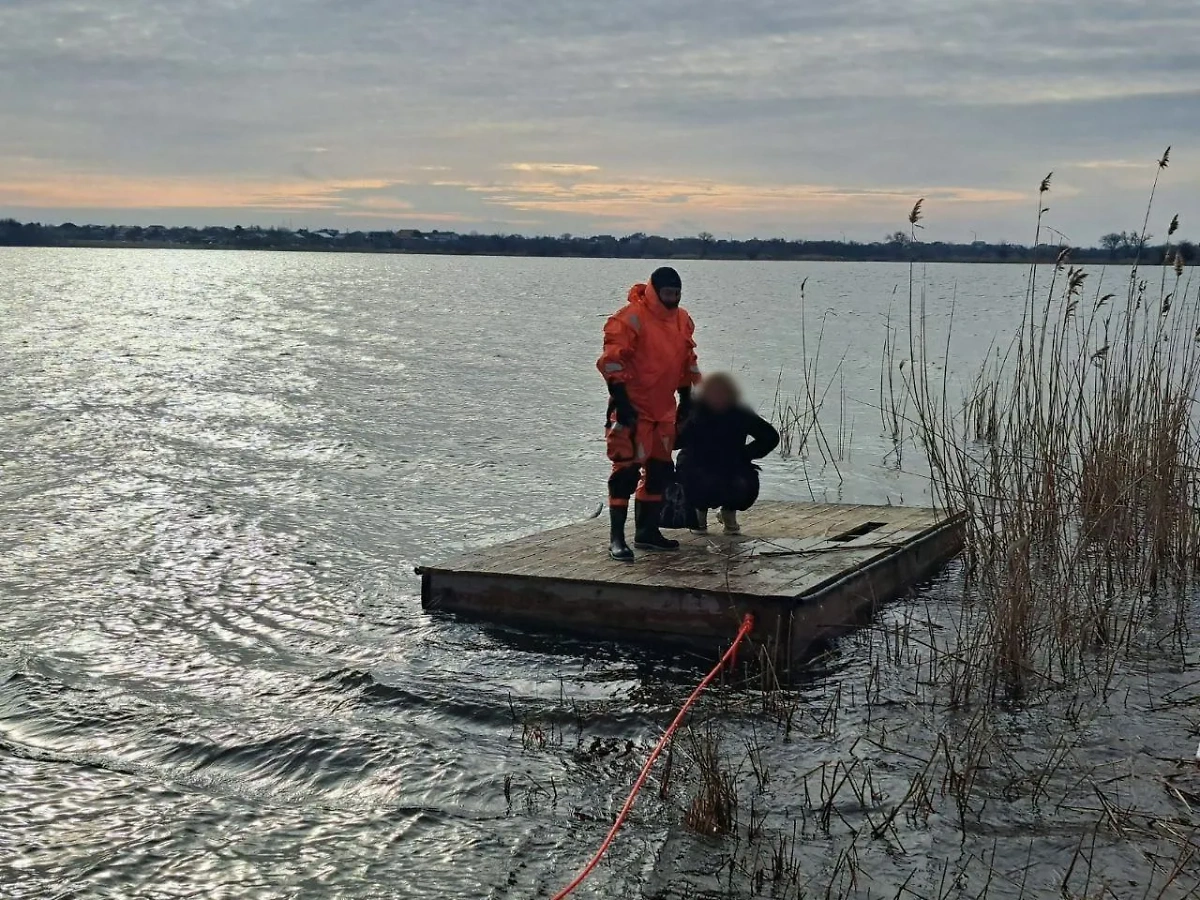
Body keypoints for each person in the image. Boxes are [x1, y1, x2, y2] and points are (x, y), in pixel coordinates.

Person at [597, 267, 701, 561]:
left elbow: (687, 360)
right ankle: (616, 539)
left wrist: (687, 397)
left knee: (659, 471)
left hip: (664, 409)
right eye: (668, 293)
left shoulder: (682, 320)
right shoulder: (630, 318)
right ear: (655, 290)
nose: (673, 299)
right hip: (633, 406)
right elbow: (612, 362)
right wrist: (622, 401)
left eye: (677, 294)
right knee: (625, 472)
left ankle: (647, 532)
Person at [675, 372, 779, 535]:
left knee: (740, 482)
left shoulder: (740, 412)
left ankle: (728, 512)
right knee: (695, 475)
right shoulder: (694, 411)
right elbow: (675, 442)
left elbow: (770, 437)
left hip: (730, 467)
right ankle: (699, 513)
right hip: (697, 467)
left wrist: (745, 454)